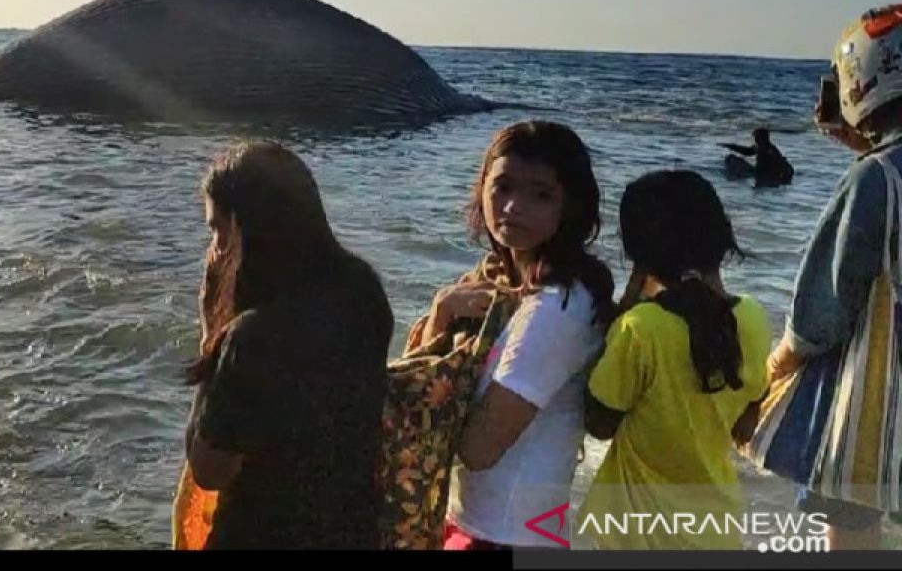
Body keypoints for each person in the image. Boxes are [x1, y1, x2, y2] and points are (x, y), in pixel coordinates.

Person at [183, 141, 394, 549]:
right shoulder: (364, 292)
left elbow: (209, 469)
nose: (213, 249)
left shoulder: (254, 337)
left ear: (244, 228)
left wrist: (213, 333)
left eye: (215, 229)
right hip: (351, 531)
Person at [753, 4, 902, 549]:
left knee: (854, 519)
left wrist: (776, 364)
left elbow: (824, 310)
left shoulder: (874, 178)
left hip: (880, 401)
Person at [433, 121, 615, 550]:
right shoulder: (497, 285)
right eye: (502, 187)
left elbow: (478, 449)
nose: (513, 207)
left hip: (507, 535)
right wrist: (442, 315)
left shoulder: (559, 307)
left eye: (541, 194)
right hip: (479, 523)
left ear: (570, 207)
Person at [581, 170, 771, 549]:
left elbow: (600, 424)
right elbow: (744, 424)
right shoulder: (752, 317)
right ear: (723, 236)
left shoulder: (640, 329)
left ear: (637, 254)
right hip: (716, 526)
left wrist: (622, 309)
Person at [720, 127, 794, 187]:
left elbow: (785, 165)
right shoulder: (761, 147)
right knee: (731, 158)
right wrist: (729, 146)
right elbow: (747, 151)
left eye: (756, 137)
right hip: (759, 173)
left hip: (763, 175)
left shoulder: (769, 149)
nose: (755, 140)